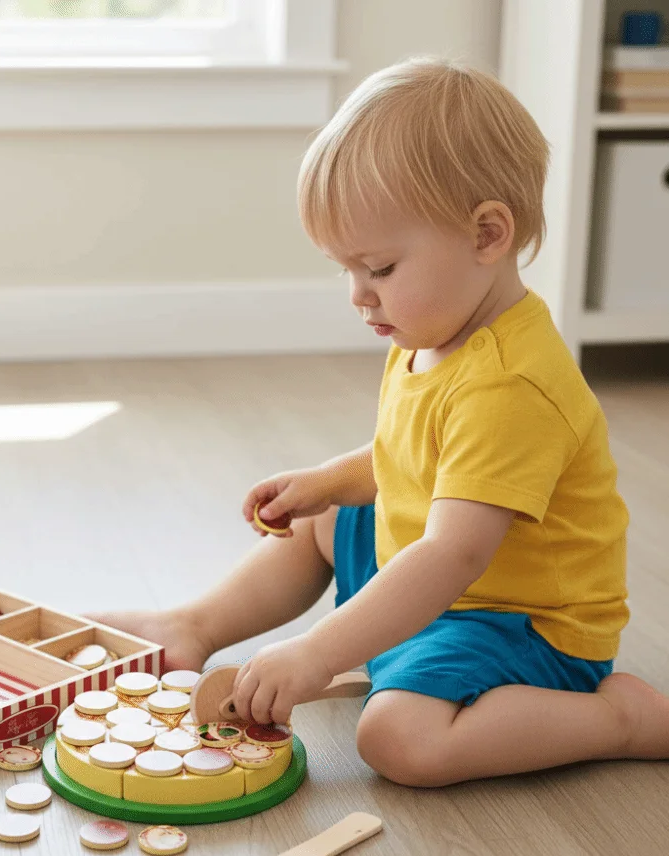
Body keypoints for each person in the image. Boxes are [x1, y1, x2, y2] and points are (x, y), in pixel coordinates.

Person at [92, 58, 669, 787]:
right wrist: (330, 480)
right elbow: (413, 454)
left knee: (400, 741)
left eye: (382, 268)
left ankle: (620, 720)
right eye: (348, 271)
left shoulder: (513, 384)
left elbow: (453, 556)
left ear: (488, 234)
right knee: (326, 517)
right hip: (438, 577)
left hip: (515, 619)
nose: (361, 296)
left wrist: (316, 651)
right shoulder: (434, 330)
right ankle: (194, 626)